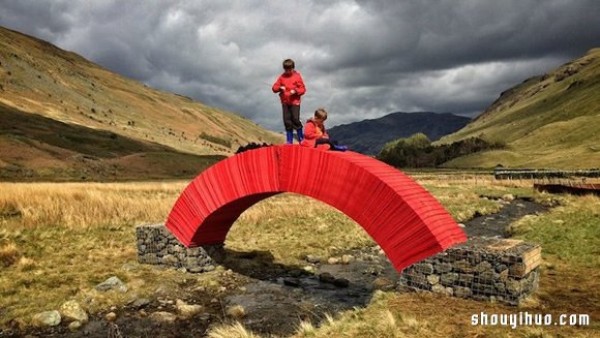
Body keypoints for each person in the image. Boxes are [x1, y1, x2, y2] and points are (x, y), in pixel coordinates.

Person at [272, 59, 306, 144]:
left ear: (293, 68)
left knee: (295, 119)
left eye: (289, 69)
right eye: (286, 70)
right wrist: (280, 88)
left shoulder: (297, 76)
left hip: (295, 102)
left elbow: (303, 89)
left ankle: (301, 138)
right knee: (287, 121)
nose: (287, 71)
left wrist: (295, 91)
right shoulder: (282, 77)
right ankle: (289, 141)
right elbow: (274, 88)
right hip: (285, 102)